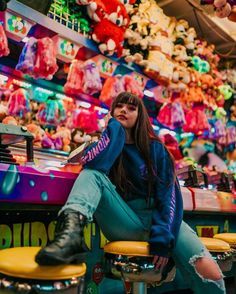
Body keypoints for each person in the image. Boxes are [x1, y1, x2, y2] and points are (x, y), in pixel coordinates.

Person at [36, 92, 225, 293]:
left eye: (131, 108)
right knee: (92, 174)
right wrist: (114, 129)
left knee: (211, 275)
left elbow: (168, 196)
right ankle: (70, 236)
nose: (124, 110)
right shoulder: (108, 141)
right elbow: (94, 165)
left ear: (140, 115)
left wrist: (162, 238)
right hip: (124, 221)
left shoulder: (156, 149)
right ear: (112, 112)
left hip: (159, 221)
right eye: (119, 107)